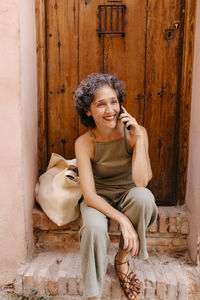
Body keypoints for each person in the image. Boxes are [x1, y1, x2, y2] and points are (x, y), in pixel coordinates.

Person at [73, 73, 158, 300]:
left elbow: (141, 182)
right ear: (88, 111)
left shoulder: (136, 135)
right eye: (100, 104)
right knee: (93, 228)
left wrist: (139, 139)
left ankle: (121, 259)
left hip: (127, 195)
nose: (110, 109)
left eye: (113, 101)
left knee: (144, 198)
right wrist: (122, 220)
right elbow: (89, 196)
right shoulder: (84, 143)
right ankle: (92, 295)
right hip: (98, 199)